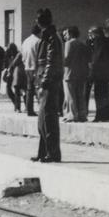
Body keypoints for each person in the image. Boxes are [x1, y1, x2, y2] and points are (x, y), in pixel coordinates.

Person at [32, 9, 64, 162]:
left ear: (40, 21)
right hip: (44, 81)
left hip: (49, 82)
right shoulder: (46, 37)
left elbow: (51, 62)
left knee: (49, 118)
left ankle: (52, 153)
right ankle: (43, 151)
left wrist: (44, 80)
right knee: (42, 120)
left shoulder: (51, 38)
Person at [89, 26, 109, 122]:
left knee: (99, 94)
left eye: (91, 34)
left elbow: (96, 59)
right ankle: (108, 114)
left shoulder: (98, 42)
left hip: (99, 72)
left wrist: (91, 74)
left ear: (95, 34)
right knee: (106, 93)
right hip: (108, 72)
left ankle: (100, 115)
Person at [63, 26, 91, 122]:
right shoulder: (82, 44)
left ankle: (72, 115)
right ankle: (82, 115)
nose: (65, 36)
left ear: (70, 33)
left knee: (71, 95)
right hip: (82, 73)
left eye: (66, 34)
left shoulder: (68, 44)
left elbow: (67, 59)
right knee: (80, 95)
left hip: (70, 73)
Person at [21, 25, 41, 116]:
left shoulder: (25, 41)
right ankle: (41, 109)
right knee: (39, 89)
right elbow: (40, 56)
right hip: (36, 68)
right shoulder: (39, 41)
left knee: (29, 89)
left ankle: (29, 110)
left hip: (27, 67)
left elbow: (23, 56)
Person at [3, 43, 26, 112]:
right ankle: (17, 105)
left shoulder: (18, 54)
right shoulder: (7, 55)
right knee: (9, 90)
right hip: (11, 75)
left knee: (18, 90)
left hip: (16, 74)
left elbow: (14, 64)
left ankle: (18, 107)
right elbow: (5, 64)